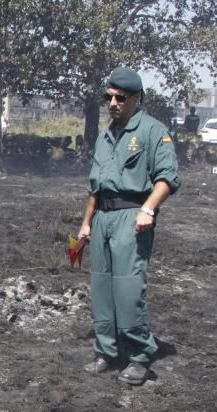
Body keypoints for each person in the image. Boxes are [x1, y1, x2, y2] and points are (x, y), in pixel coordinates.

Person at [76, 67, 180, 385]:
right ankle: (106, 351)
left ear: (137, 98)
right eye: (108, 97)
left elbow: (168, 178)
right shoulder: (105, 137)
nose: (113, 103)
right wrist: (85, 224)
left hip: (132, 217)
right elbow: (96, 187)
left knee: (127, 288)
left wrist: (149, 209)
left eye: (120, 97)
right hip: (103, 218)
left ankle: (139, 356)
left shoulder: (152, 130)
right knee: (102, 290)